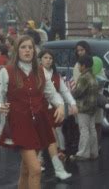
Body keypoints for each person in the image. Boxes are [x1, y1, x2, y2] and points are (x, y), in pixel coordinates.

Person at [0, 35, 64, 189]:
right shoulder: (7, 71)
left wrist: (60, 105)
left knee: (26, 170)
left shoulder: (41, 71)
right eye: (23, 47)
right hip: (19, 124)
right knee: (36, 169)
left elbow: (52, 93)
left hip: (39, 123)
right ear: (17, 50)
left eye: (30, 47)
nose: (27, 50)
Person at [38, 49, 76, 180]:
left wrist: (72, 103)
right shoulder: (35, 72)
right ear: (40, 59)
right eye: (45, 58)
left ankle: (56, 160)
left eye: (50, 58)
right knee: (43, 137)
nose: (48, 60)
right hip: (38, 110)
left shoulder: (55, 75)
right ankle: (40, 161)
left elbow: (64, 91)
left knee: (52, 136)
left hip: (52, 110)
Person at [70, 55, 99, 161]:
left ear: (84, 65)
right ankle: (93, 152)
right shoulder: (93, 76)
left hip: (83, 107)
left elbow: (77, 93)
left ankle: (83, 154)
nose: (78, 67)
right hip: (92, 107)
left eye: (79, 65)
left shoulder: (83, 77)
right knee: (92, 129)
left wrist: (69, 92)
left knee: (84, 130)